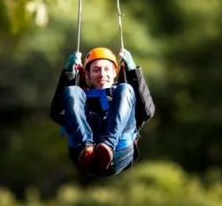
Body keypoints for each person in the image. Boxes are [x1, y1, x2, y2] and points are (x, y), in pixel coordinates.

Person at [49, 47, 155, 177]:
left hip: (119, 152)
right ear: (87, 75)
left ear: (115, 72)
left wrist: (133, 72)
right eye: (96, 70)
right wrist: (68, 75)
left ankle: (107, 146)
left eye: (107, 69)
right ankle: (86, 146)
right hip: (82, 155)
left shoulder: (123, 94)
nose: (102, 75)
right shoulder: (80, 97)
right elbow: (57, 114)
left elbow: (147, 111)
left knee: (126, 88)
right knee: (72, 91)